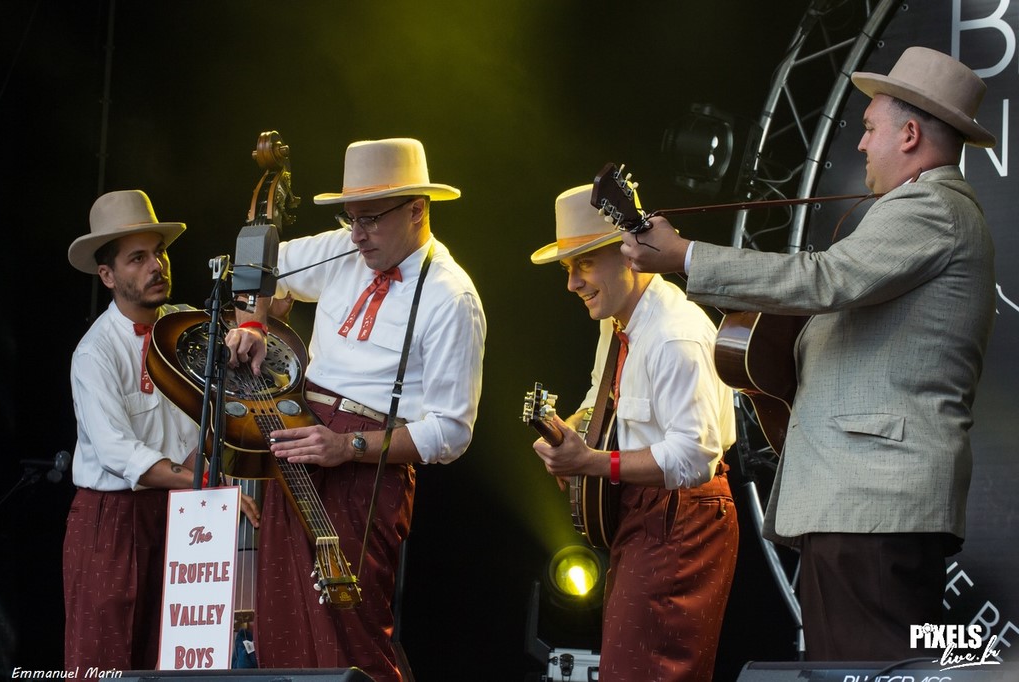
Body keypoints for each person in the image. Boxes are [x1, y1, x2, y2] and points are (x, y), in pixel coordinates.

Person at [619, 46, 997, 661]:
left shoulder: (932, 208)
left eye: (869, 128)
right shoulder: (921, 213)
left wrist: (686, 256)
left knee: (869, 670)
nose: (859, 144)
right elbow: (824, 306)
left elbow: (824, 280)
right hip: (861, 504)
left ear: (909, 135)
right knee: (859, 666)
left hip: (873, 505)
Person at [226, 137, 486, 679]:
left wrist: (347, 446)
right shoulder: (345, 250)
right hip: (297, 438)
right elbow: (256, 262)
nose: (356, 234)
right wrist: (252, 320)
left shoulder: (450, 296)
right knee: (280, 619)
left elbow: (451, 432)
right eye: (350, 218)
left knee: (349, 633)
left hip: (365, 468)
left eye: (370, 218)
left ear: (417, 210)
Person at [529, 185, 738, 681]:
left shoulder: (675, 335)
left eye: (584, 263)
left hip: (682, 512)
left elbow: (695, 457)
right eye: (567, 268)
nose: (572, 284)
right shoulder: (618, 322)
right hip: (647, 510)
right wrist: (567, 432)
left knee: (645, 672)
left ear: (629, 254)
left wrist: (590, 463)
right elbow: (602, 403)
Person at [63, 189, 261, 669]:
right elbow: (118, 453)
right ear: (107, 275)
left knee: (176, 656)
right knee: (105, 660)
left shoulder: (187, 326)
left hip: (182, 511)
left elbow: (232, 385)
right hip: (114, 519)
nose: (157, 266)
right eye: (138, 258)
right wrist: (207, 485)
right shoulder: (94, 352)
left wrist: (257, 320)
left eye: (160, 253)